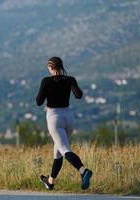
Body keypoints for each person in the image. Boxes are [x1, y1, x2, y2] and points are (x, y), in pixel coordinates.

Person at [36, 56, 93, 190]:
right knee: (58, 151)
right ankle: (50, 181)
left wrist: (47, 91)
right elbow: (78, 95)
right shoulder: (70, 80)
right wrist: (70, 85)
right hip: (68, 117)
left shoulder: (46, 81)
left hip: (54, 118)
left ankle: (83, 170)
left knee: (64, 149)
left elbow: (38, 102)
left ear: (51, 67)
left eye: (48, 67)